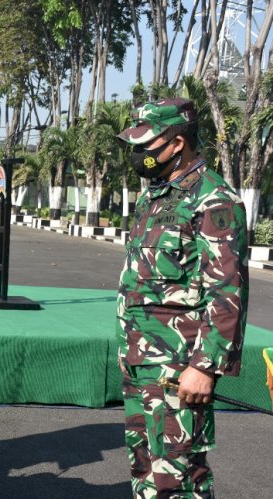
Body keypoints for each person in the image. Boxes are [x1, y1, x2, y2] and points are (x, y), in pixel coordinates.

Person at [115, 98, 248, 498]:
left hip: (178, 367)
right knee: (146, 470)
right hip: (141, 361)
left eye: (147, 143)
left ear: (176, 143)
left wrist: (205, 367)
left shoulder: (214, 198)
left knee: (178, 476)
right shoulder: (154, 196)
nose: (140, 154)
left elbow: (226, 289)